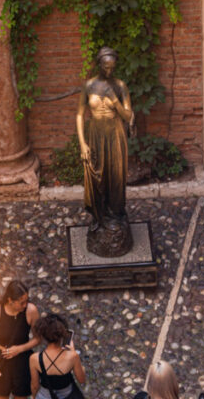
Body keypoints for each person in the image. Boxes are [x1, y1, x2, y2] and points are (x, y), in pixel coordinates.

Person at [76, 44, 134, 256]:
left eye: (112, 67)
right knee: (97, 178)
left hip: (115, 135)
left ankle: (116, 215)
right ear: (99, 64)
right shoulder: (89, 86)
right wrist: (83, 144)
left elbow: (128, 116)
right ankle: (99, 217)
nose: (109, 70)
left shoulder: (119, 85)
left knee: (116, 176)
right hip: (96, 136)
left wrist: (115, 102)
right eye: (106, 66)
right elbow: (80, 115)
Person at [0, 279, 40, 399]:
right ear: (10, 300)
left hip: (22, 361)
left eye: (26, 301)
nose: (25, 305)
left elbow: (38, 338)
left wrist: (20, 349)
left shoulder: (31, 311)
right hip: (1, 361)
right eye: (21, 303)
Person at [29, 313, 86, 399]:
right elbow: (81, 379)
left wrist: (34, 396)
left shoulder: (34, 358)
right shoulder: (72, 356)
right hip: (67, 394)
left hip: (45, 395)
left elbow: (34, 385)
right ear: (62, 334)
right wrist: (73, 352)